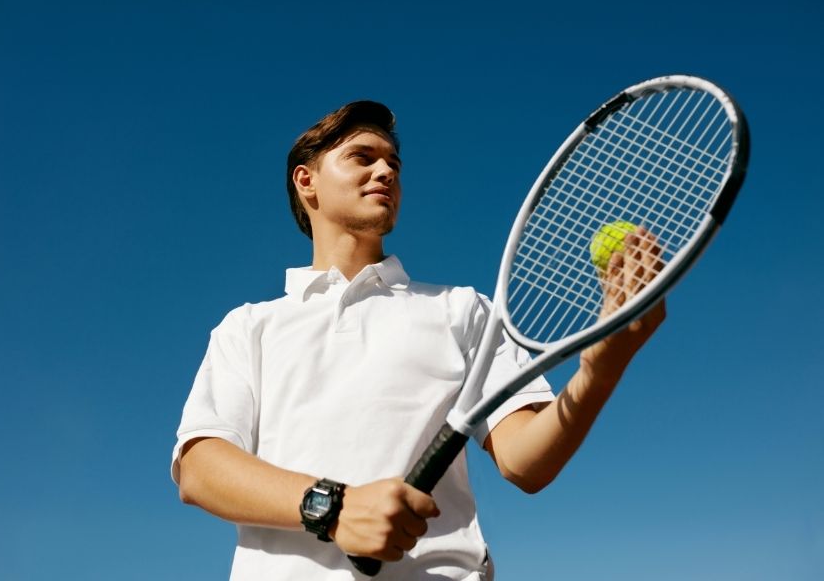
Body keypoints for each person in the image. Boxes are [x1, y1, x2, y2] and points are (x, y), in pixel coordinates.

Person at [171, 101, 665, 580]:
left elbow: (525, 462)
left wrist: (600, 371)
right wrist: (333, 508)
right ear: (307, 182)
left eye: (394, 164)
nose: (385, 171)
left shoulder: (462, 310)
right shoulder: (249, 326)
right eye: (362, 158)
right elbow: (201, 467)